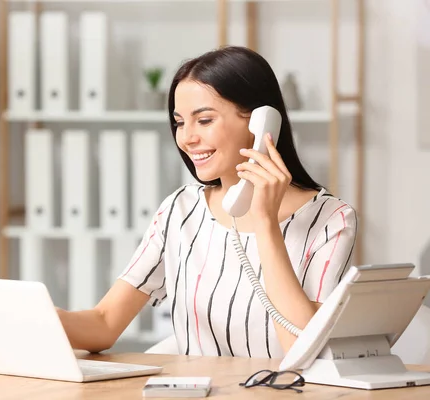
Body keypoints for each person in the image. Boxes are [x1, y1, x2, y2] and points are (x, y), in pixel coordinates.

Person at [56, 46, 357, 359]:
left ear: (262, 123)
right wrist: (36, 317)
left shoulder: (331, 219)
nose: (187, 138)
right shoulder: (180, 210)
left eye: (204, 120)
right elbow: (105, 323)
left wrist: (266, 223)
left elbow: (302, 348)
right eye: (179, 122)